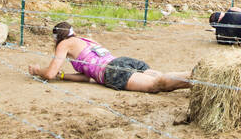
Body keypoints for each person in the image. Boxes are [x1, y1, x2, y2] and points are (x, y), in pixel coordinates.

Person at [32, 23, 191, 91]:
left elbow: (49, 74)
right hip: (121, 62)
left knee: (158, 85)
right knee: (162, 78)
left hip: (112, 72)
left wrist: (37, 70)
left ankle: (196, 76)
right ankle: (196, 80)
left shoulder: (64, 44)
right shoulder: (85, 39)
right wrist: (63, 75)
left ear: (57, 38)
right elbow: (87, 77)